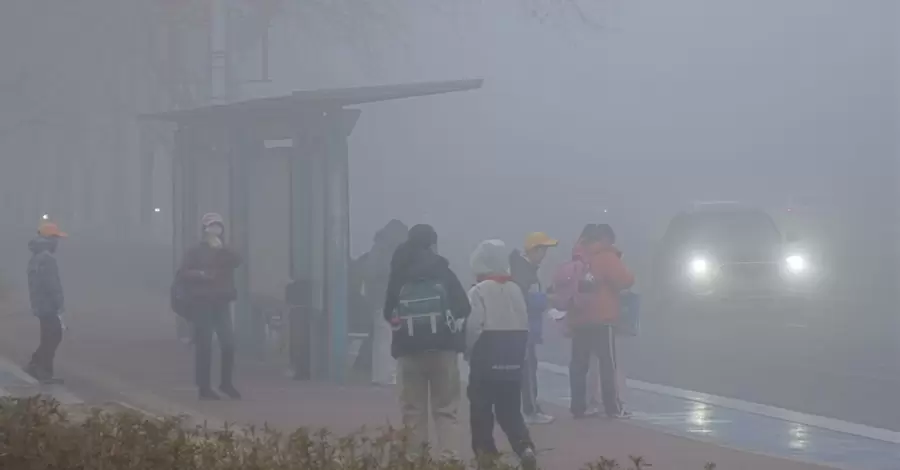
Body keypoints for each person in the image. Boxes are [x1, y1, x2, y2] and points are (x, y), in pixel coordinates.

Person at [383, 224, 470, 455]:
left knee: (413, 413)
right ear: (432, 244)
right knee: (446, 411)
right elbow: (464, 306)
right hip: (443, 350)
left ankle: (416, 462)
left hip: (408, 351)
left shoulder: (399, 271)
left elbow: (387, 312)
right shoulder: (443, 269)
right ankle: (449, 462)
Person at [466, 239, 537, 469]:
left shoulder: (478, 291)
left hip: (486, 355)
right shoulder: (515, 289)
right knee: (510, 409)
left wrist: (468, 351)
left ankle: (487, 456)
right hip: (513, 355)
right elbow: (525, 322)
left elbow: (473, 326)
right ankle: (524, 446)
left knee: (481, 409)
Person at [567, 223, 634, 419]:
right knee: (607, 363)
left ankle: (578, 406)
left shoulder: (578, 256)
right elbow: (625, 280)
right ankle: (612, 407)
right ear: (605, 239)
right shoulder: (606, 256)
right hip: (602, 318)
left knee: (579, 364)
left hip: (579, 317)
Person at [177, 213, 242, 400]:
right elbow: (183, 272)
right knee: (204, 345)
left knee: (228, 343)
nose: (215, 230)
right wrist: (202, 274)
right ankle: (204, 387)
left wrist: (224, 248)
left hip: (222, 301)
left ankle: (226, 383)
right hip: (202, 302)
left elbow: (238, 261)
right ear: (204, 230)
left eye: (218, 226)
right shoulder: (195, 251)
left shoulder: (225, 251)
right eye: (211, 226)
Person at [509, 232, 558, 425]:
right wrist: (547, 299)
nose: (545, 254)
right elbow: (524, 299)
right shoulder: (523, 271)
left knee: (527, 368)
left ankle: (527, 408)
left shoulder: (525, 269)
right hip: (525, 328)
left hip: (526, 328)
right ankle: (530, 410)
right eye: (543, 249)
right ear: (534, 250)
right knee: (527, 371)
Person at [25, 222, 67, 384]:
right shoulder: (47, 259)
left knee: (49, 337)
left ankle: (38, 367)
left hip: (40, 304)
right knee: (53, 336)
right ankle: (41, 370)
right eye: (55, 239)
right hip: (48, 305)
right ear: (49, 240)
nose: (57, 243)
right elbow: (52, 284)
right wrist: (59, 304)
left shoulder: (36, 257)